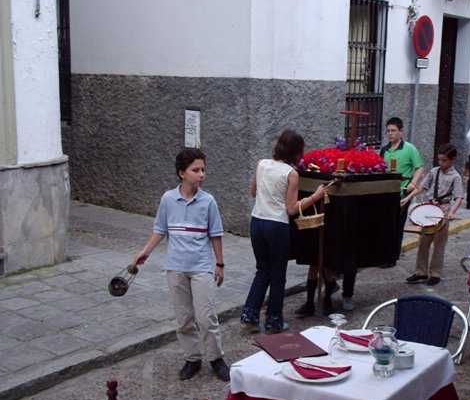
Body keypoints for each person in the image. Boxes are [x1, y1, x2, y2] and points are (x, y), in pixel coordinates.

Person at [133, 148, 230, 382]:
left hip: (201, 267)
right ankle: (192, 358)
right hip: (175, 267)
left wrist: (219, 264)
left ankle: (216, 358)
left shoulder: (208, 202)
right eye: (196, 170)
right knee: (184, 317)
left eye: (203, 170)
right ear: (182, 173)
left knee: (206, 317)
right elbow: (160, 229)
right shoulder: (168, 199)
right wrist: (144, 252)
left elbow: (215, 234)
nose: (201, 174)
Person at [240, 130, 331, 334]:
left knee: (262, 270)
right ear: (296, 152)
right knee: (278, 273)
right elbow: (291, 209)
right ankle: (273, 321)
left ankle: (249, 317)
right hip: (276, 225)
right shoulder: (291, 174)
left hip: (257, 221)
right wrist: (316, 196)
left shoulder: (261, 164)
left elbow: (253, 192)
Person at [401, 143, 463, 286]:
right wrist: (407, 198)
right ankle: (420, 272)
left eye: (444, 160)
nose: (441, 163)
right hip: (429, 208)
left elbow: (459, 197)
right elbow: (422, 187)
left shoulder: (456, 177)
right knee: (423, 241)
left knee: (439, 243)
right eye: (439, 160)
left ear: (453, 160)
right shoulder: (434, 171)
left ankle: (435, 273)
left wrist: (452, 212)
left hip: (443, 210)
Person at [379, 117, 424, 268]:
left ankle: (392, 256)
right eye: (388, 131)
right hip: (386, 192)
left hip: (402, 191)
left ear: (401, 131)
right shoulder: (385, 150)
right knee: (385, 224)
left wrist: (413, 183)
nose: (390, 134)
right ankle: (383, 253)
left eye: (393, 131)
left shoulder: (409, 148)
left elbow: (420, 167)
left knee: (396, 224)